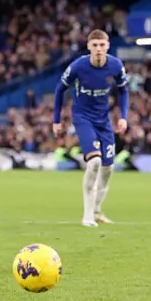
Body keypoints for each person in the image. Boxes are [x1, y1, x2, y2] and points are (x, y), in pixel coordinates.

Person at [52, 29, 129, 227]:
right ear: (88, 47)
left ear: (108, 46)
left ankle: (97, 211)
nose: (98, 49)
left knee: (108, 167)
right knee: (94, 162)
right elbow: (60, 89)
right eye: (94, 45)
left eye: (102, 45)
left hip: (104, 121)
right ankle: (87, 216)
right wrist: (56, 120)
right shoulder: (78, 66)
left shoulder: (115, 65)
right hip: (82, 118)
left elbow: (124, 91)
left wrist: (123, 117)